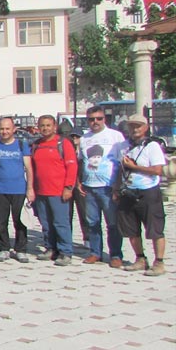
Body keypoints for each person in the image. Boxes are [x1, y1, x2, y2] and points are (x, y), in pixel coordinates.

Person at [115, 114, 167, 276]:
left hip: (148, 192)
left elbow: (157, 170)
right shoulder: (124, 146)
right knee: (131, 229)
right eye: (132, 126)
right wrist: (116, 189)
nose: (135, 129)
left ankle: (159, 262)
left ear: (145, 128)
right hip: (128, 191)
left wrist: (135, 167)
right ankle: (140, 258)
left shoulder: (152, 146)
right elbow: (120, 168)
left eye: (138, 126)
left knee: (155, 229)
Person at [78, 106, 125, 267]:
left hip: (108, 187)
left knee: (112, 223)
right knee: (92, 222)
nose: (95, 122)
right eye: (91, 119)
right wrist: (79, 181)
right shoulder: (84, 139)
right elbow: (81, 161)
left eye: (98, 118)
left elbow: (121, 162)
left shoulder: (115, 136)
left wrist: (117, 186)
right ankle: (95, 252)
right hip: (89, 186)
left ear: (104, 119)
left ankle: (116, 255)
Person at [30, 115, 78, 266]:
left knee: (60, 223)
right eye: (42, 125)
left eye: (48, 125)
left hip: (59, 191)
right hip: (41, 192)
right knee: (45, 223)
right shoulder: (36, 145)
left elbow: (72, 166)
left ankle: (65, 251)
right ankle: (50, 248)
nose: (45, 128)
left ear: (54, 126)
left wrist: (68, 187)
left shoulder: (63, 143)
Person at [0, 117, 34, 263]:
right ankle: (4, 248)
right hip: (0, 189)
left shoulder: (21, 145)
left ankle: (21, 249)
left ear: (14, 129)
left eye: (7, 128)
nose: (4, 131)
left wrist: (30, 189)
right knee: (1, 221)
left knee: (19, 221)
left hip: (19, 189)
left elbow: (29, 168)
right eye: (2, 129)